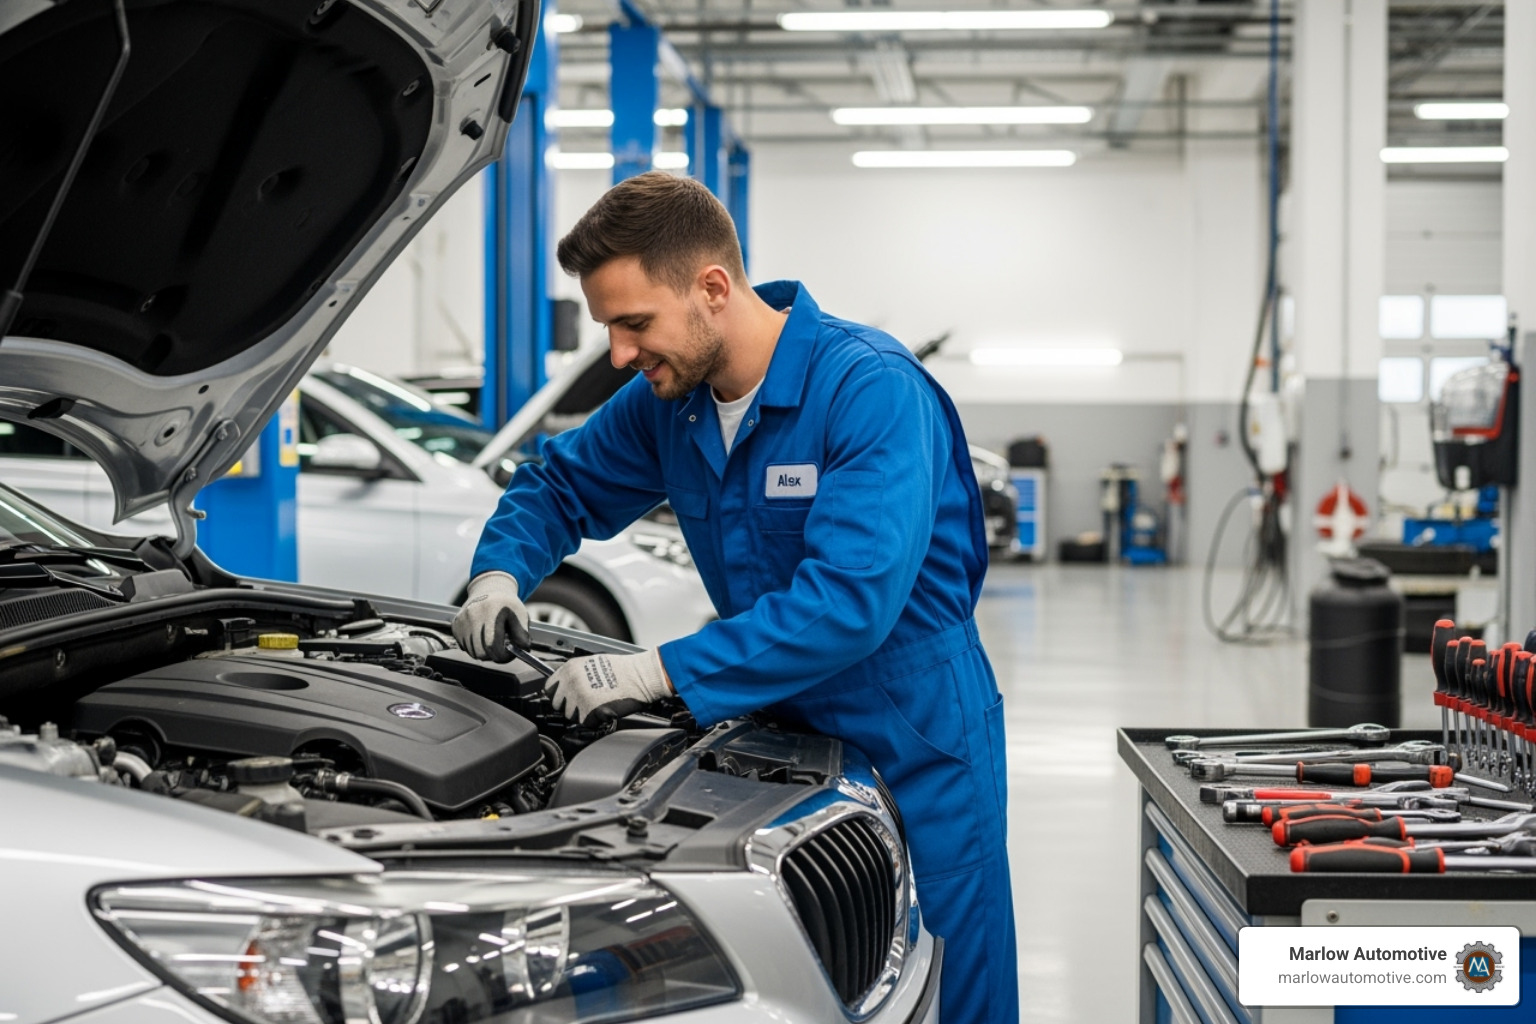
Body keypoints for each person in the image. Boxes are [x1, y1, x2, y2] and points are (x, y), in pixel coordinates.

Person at [454, 171, 1017, 1023]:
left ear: (712, 288)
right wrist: (498, 573)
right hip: (775, 726)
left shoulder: (867, 389)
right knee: (807, 981)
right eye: (609, 329)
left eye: (634, 323)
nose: (620, 355)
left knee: (949, 982)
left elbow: (849, 601)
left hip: (916, 732)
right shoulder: (671, 406)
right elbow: (558, 485)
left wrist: (655, 672)